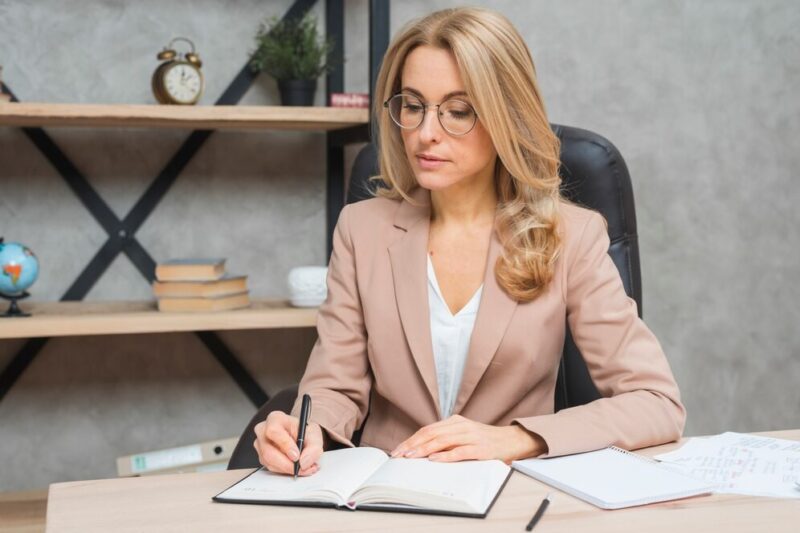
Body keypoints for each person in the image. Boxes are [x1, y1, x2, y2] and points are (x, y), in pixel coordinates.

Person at [254, 7, 685, 477]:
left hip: (510, 492)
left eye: (458, 111)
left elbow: (656, 403)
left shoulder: (571, 237)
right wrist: (303, 430)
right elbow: (335, 386)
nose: (425, 133)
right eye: (413, 106)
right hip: (385, 495)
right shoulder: (362, 229)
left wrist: (517, 439)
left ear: (507, 116)